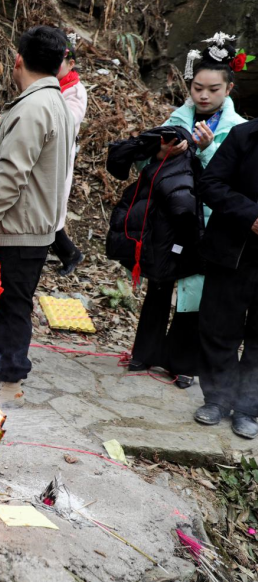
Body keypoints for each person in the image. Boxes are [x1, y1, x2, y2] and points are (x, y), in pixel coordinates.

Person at [123, 32, 247, 389]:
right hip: (169, 217)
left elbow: (230, 185)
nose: (203, 96)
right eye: (197, 88)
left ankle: (182, 363)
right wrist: (160, 153)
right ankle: (144, 352)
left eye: (212, 89)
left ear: (229, 89)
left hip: (208, 222)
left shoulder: (238, 132)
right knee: (159, 283)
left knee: (193, 293)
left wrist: (207, 152)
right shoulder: (175, 119)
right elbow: (145, 166)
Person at [0, 26, 74, 409]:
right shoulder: (54, 101)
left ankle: (9, 380)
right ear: (60, 64)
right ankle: (7, 371)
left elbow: (13, 174)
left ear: (18, 60)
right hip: (33, 224)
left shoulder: (33, 107)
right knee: (14, 303)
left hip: (18, 228)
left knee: (11, 306)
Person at [185, 58, 258, 439]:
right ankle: (216, 399)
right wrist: (251, 215)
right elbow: (210, 184)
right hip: (233, 250)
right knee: (219, 326)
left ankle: (249, 407)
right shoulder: (245, 137)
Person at [53, 33, 87, 276]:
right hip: (52, 150)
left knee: (52, 208)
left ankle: (71, 254)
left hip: (61, 152)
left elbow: (70, 119)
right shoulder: (55, 84)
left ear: (71, 64)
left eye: (59, 64)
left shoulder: (75, 90)